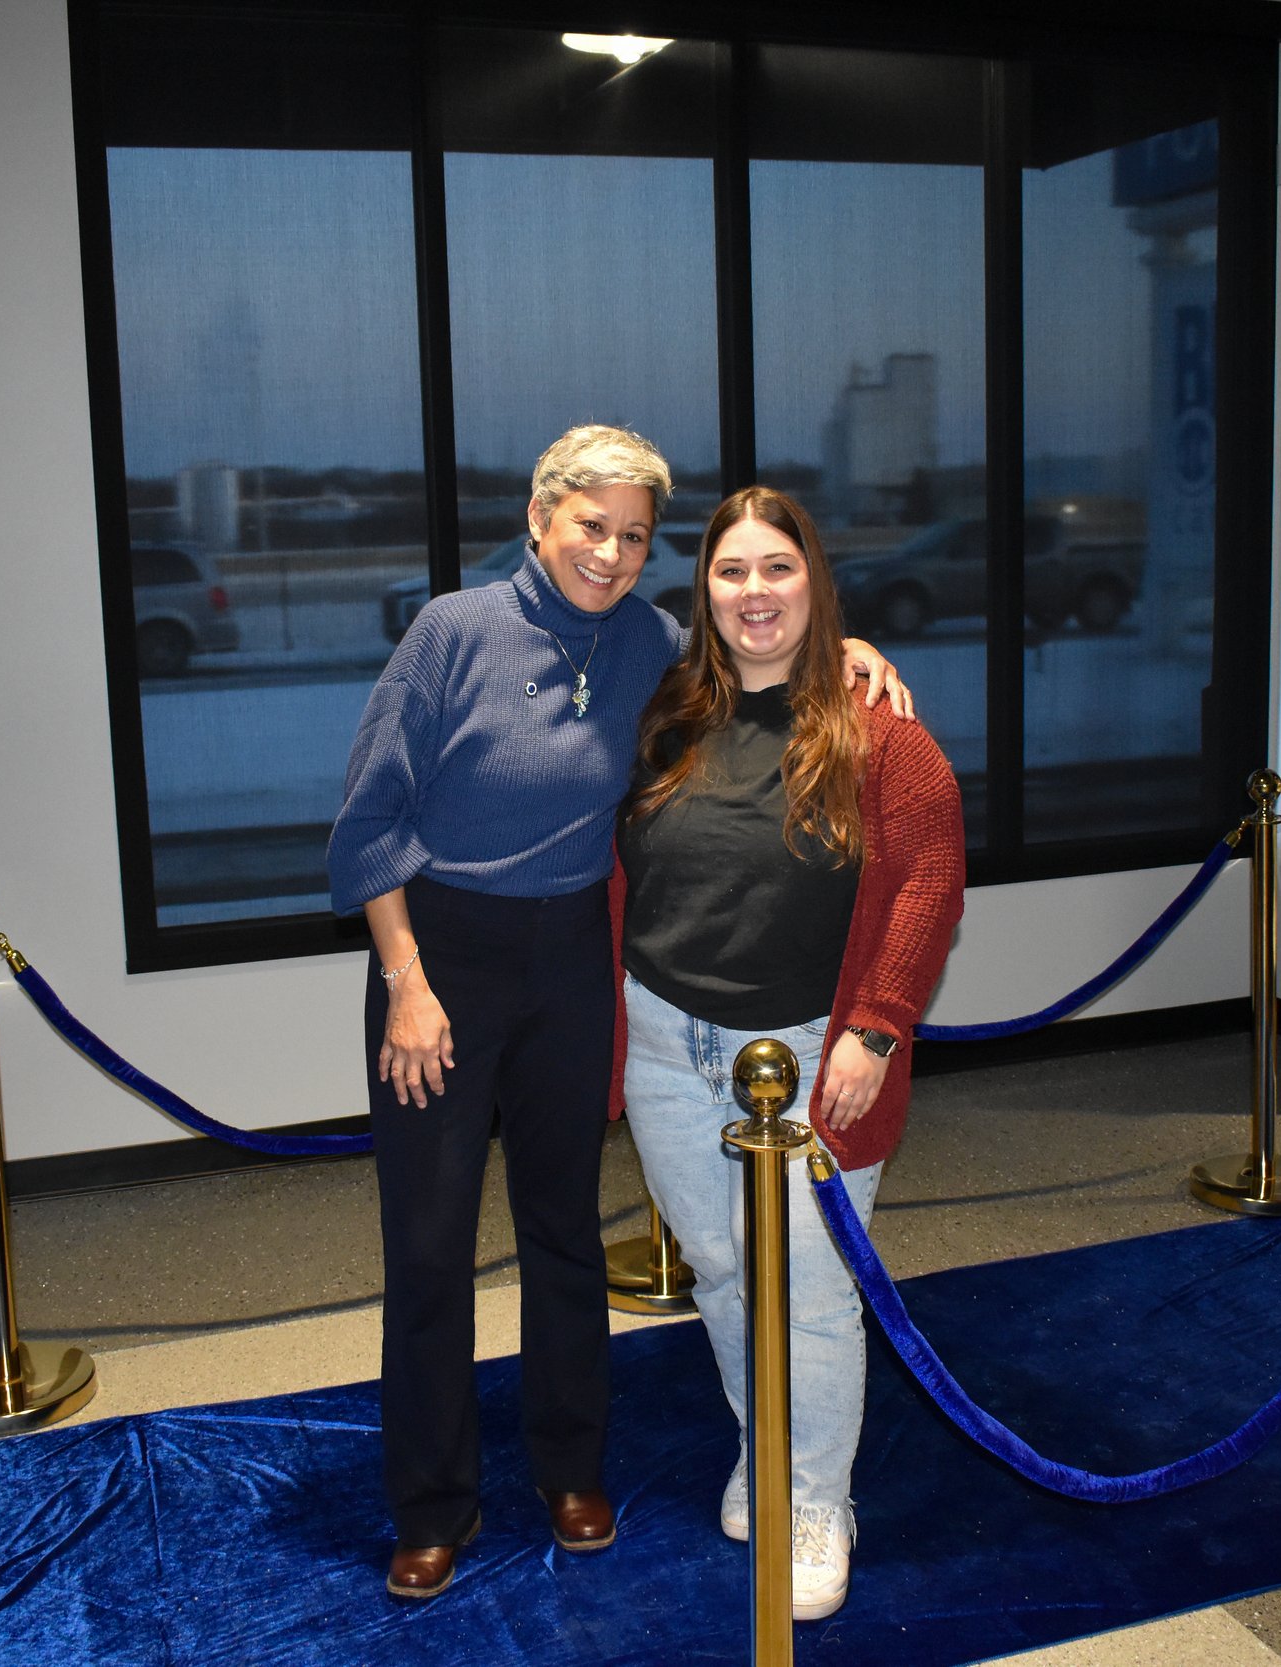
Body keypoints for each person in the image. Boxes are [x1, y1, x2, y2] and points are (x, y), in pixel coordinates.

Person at [327, 428, 911, 1600]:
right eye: (591, 524)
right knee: (432, 1245)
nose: (610, 550)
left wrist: (852, 646)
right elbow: (368, 820)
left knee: (561, 1231)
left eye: (635, 534)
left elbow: (760, 644)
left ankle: (569, 1468)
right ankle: (433, 1504)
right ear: (539, 517)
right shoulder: (452, 631)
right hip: (437, 960)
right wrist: (405, 983)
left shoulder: (651, 643)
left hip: (570, 963)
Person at [613, 484, 965, 1620]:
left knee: (809, 1292)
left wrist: (875, 1026)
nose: (753, 591)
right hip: (668, 1047)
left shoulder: (879, 731)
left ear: (813, 582)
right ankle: (763, 1448)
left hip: (811, 1058)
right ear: (702, 590)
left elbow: (928, 877)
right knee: (721, 1270)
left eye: (777, 569)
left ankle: (817, 1498)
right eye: (730, 571)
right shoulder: (666, 707)